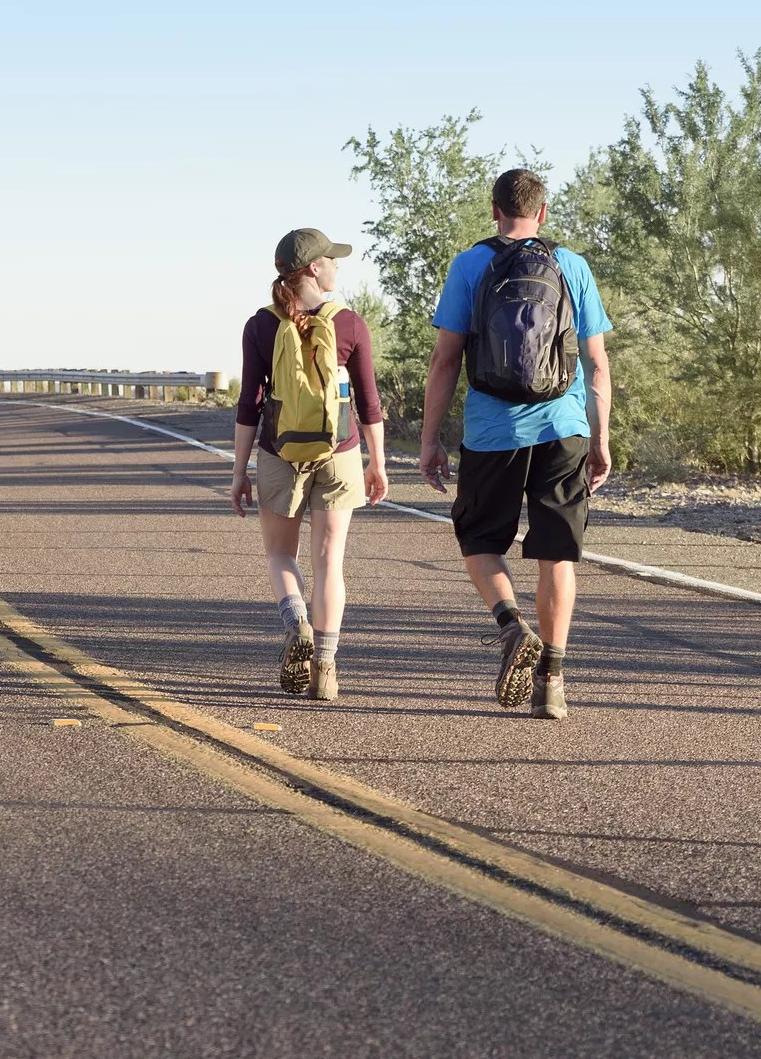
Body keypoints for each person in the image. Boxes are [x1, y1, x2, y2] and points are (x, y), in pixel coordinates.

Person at [419, 169, 612, 720]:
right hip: (563, 428)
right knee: (556, 552)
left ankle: (511, 625)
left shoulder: (469, 264)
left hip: (491, 431)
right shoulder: (571, 266)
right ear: (543, 212)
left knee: (479, 540)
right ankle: (551, 681)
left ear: (494, 209)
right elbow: (596, 364)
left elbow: (445, 360)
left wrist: (431, 441)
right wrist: (600, 439)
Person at [230, 228, 389, 702]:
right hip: (339, 453)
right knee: (329, 563)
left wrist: (239, 472)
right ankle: (325, 668)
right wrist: (377, 462)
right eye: (332, 260)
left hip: (280, 454)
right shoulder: (351, 324)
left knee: (281, 555)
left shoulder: (259, 325)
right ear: (314, 269)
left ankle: (295, 619)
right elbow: (369, 402)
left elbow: (248, 405)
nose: (338, 266)